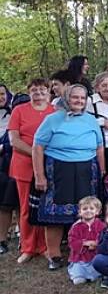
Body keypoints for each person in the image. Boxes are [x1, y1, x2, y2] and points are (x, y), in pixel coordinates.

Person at [33, 83, 105, 270]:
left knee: (87, 211)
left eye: (82, 98)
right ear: (66, 98)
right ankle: (54, 255)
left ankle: (84, 253)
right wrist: (39, 176)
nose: (79, 101)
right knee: (54, 214)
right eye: (75, 97)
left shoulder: (91, 120)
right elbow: (37, 147)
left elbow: (99, 147)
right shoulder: (52, 119)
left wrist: (102, 170)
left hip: (87, 170)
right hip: (59, 169)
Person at [8, 78, 56, 263]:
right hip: (24, 165)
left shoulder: (55, 111)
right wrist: (36, 153)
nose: (39, 92)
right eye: (34, 89)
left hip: (48, 166)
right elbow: (14, 140)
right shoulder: (19, 110)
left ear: (48, 92)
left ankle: (44, 246)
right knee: (26, 208)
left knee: (45, 207)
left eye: (42, 89)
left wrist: (44, 157)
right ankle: (28, 247)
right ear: (29, 92)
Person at [66, 196, 105, 285]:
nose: (88, 211)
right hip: (80, 259)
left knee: (98, 271)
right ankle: (79, 274)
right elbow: (72, 241)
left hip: (95, 256)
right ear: (80, 212)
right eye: (85, 209)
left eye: (91, 208)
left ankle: (95, 274)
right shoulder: (76, 227)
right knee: (78, 281)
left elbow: (105, 239)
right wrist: (84, 243)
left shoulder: (102, 225)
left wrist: (96, 244)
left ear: (97, 211)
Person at [0, 83, 17, 256]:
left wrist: (3, 148)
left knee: (10, 203)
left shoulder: (14, 113)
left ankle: (21, 237)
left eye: (2, 94)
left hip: (11, 164)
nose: (1, 97)